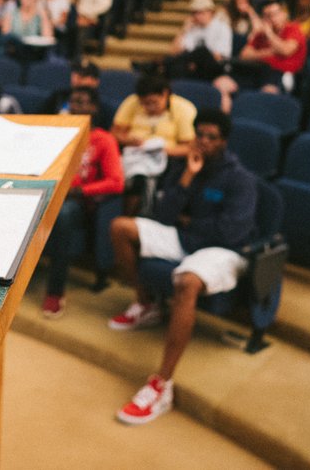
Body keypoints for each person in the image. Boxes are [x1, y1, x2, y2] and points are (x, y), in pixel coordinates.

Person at [108, 108, 257, 425]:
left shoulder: (240, 180)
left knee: (187, 281)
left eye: (211, 137)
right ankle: (146, 304)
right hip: (186, 238)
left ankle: (162, 384)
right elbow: (163, 216)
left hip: (223, 250)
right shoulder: (188, 166)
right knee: (122, 227)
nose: (202, 141)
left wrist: (190, 221)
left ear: (224, 142)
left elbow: (231, 232)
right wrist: (188, 177)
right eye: (199, 134)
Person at [40, 86, 126, 318]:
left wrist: (79, 191)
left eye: (82, 102)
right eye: (73, 102)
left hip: (82, 203)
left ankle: (55, 292)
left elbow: (116, 182)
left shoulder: (104, 139)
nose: (76, 107)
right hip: (53, 192)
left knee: (64, 213)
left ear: (94, 108)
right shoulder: (61, 135)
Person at [111, 72, 197, 215]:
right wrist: (128, 140)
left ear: (165, 94)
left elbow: (190, 147)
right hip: (133, 153)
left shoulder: (184, 109)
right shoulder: (132, 102)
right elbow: (114, 132)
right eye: (145, 104)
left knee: (140, 180)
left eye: (154, 102)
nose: (149, 107)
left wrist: (162, 150)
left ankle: (133, 218)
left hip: (167, 157)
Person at [165, 0, 231, 81]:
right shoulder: (193, 28)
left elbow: (219, 56)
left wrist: (194, 62)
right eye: (194, 13)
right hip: (192, 67)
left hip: (214, 68)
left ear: (211, 12)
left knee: (201, 52)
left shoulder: (222, 27)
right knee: (171, 60)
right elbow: (174, 51)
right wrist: (184, 30)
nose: (197, 16)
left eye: (201, 12)